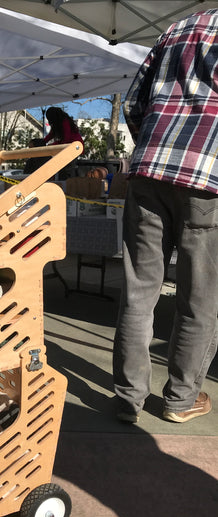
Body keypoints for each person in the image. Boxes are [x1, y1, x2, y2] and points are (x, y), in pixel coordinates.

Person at [113, 9, 218, 424]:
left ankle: (127, 396)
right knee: (200, 298)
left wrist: (155, 149)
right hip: (208, 176)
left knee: (139, 292)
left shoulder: (177, 27)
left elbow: (134, 103)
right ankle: (179, 399)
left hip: (150, 169)